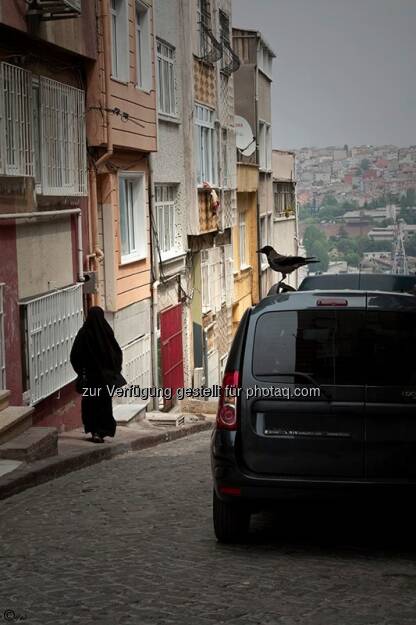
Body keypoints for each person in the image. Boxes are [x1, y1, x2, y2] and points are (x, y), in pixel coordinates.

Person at [70, 306, 124, 443]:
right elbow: (117, 353)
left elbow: (75, 356)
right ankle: (101, 431)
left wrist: (81, 372)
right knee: (104, 405)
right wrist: (114, 371)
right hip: (104, 380)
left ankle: (95, 431)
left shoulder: (83, 334)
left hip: (90, 379)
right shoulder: (106, 332)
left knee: (91, 406)